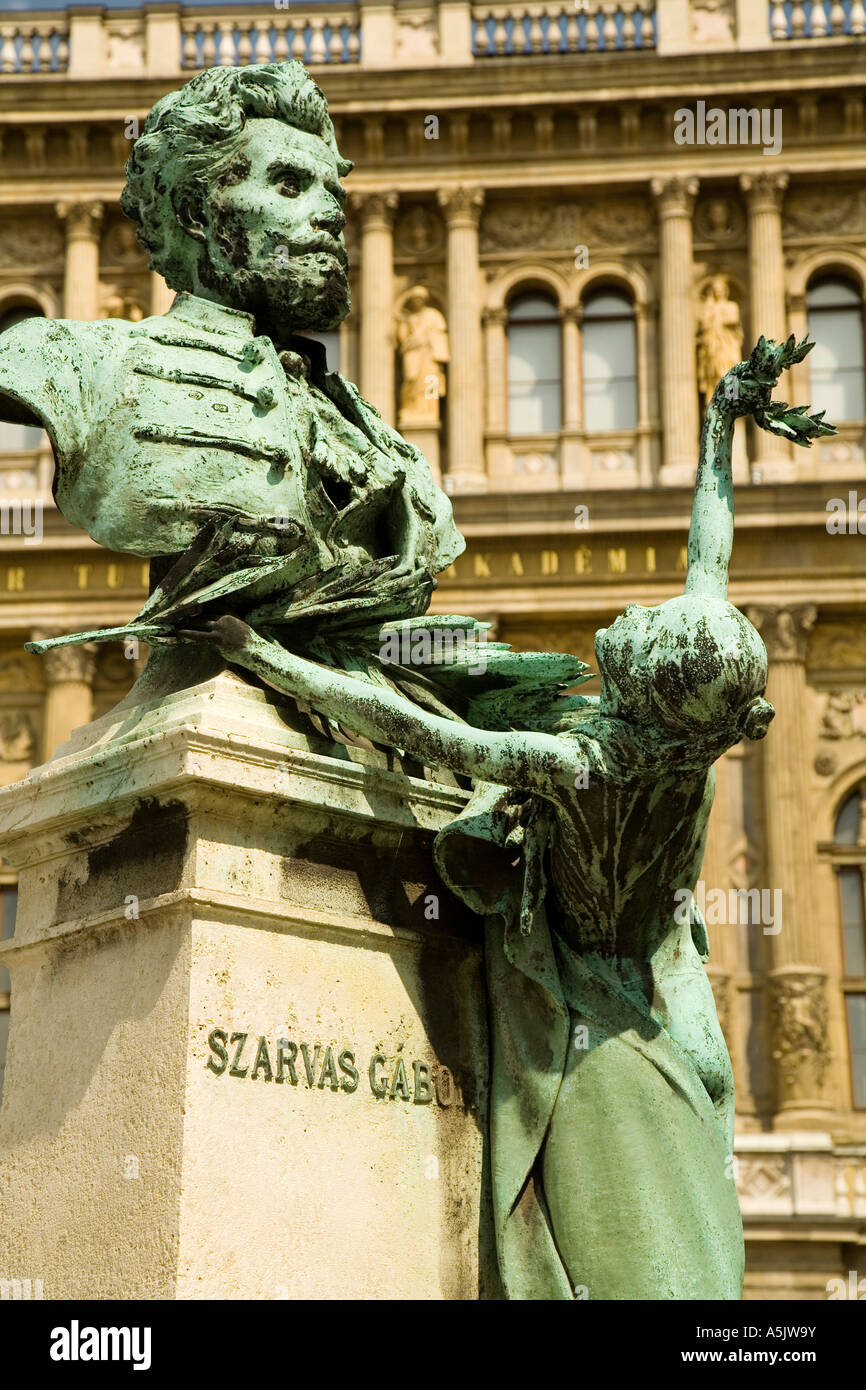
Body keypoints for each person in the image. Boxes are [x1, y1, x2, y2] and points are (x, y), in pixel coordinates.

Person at [171, 334, 834, 1299]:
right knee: (694, 1187)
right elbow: (710, 550)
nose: (624, 620)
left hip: (600, 1011)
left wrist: (266, 657)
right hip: (674, 986)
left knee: (620, 1233)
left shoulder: (580, 765)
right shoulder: (691, 728)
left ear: (647, 686)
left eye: (634, 636)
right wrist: (717, 422)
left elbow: (405, 722)